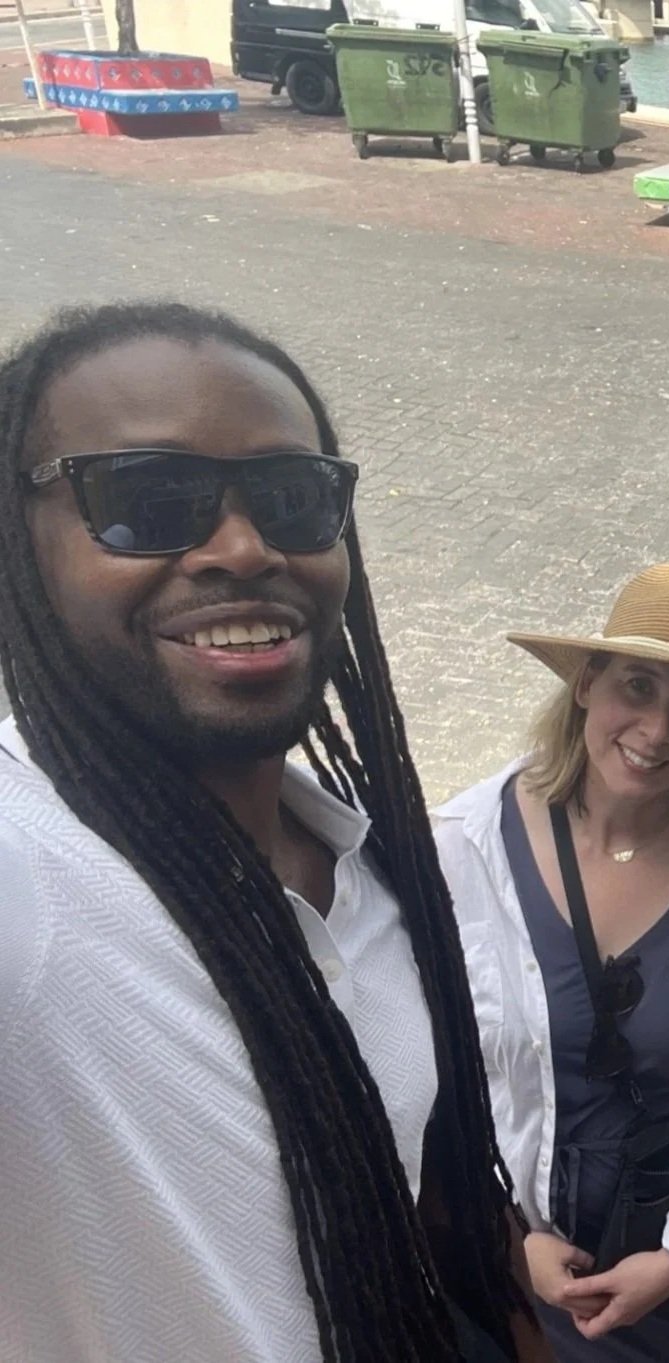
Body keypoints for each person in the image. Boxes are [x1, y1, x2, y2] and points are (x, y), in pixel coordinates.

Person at [0, 303, 530, 1361]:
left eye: (293, 499)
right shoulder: (32, 870)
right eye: (147, 500)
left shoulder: (377, 871)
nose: (241, 547)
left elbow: (419, 1193)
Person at [433, 564, 669, 1359]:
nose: (656, 729)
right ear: (585, 683)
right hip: (517, 1257)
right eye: (636, 686)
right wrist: (506, 1233)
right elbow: (435, 1068)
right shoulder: (463, 846)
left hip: (668, 1257)